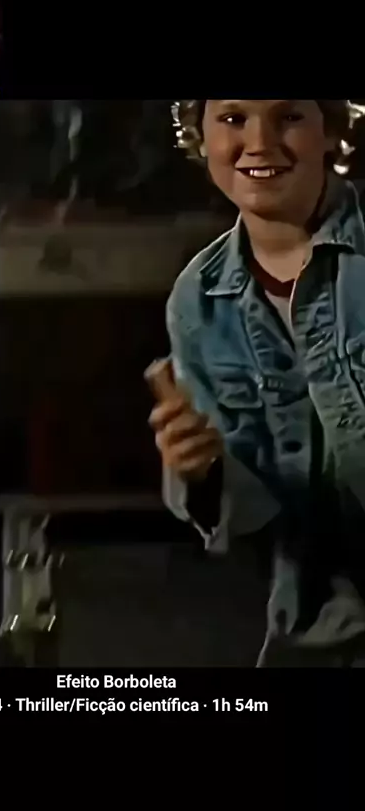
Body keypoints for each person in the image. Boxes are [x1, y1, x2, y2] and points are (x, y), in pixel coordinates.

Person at [148, 99, 365, 667]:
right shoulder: (198, 301)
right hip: (319, 631)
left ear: (331, 129)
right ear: (199, 134)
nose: (260, 142)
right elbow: (257, 514)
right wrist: (203, 469)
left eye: (288, 116)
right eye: (233, 118)